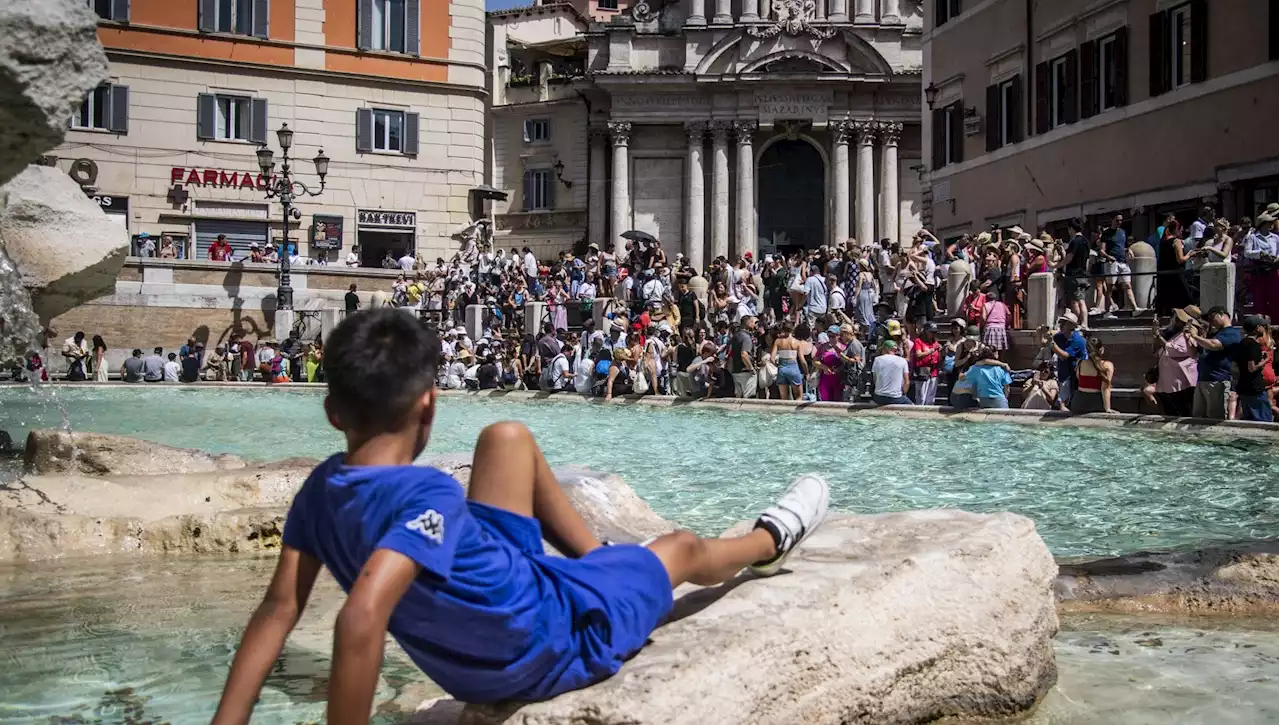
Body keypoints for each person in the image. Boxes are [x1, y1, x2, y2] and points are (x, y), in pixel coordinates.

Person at [210, 309, 828, 721]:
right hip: (549, 646)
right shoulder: (430, 497)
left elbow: (277, 613)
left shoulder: (319, 490)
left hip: (513, 590)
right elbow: (362, 616)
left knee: (507, 436)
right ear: (429, 404)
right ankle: (767, 542)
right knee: (681, 548)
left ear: (332, 412)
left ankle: (601, 567)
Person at [1188, 306, 1241, 420]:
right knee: (1197, 417)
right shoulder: (1213, 335)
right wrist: (1187, 337)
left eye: (1212, 318)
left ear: (1221, 314)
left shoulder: (1232, 333)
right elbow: (1193, 354)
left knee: (1215, 418)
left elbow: (1214, 345)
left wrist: (1195, 336)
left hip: (1218, 380)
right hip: (1202, 380)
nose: (1211, 322)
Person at [1152, 307, 1199, 417]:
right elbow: (1157, 351)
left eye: (1176, 318)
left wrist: (1158, 336)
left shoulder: (1190, 335)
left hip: (1183, 382)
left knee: (1185, 413)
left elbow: (1177, 351)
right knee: (1170, 412)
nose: (1173, 320)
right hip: (1167, 382)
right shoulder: (1171, 334)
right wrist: (1156, 336)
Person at [1054, 218, 1091, 328]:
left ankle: (1079, 323)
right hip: (1083, 274)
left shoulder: (1075, 241)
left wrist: (1056, 265)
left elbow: (1069, 258)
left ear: (1071, 229)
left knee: (1075, 302)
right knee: (1082, 301)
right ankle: (1085, 323)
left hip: (1074, 275)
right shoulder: (1086, 241)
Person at [1235, 315, 1273, 422]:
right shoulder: (1253, 345)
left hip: (1244, 387)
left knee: (1248, 421)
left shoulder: (1242, 343)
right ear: (1257, 328)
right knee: (1264, 422)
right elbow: (1251, 368)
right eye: (1261, 326)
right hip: (1255, 389)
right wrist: (1265, 360)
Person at [1050, 311, 1087, 410]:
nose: (1060, 325)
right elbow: (1045, 344)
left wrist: (1052, 344)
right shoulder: (1059, 337)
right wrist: (1041, 335)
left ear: (1071, 325)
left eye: (1064, 323)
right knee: (1062, 402)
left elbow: (1064, 356)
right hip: (1063, 374)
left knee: (1064, 404)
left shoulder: (1078, 340)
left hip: (1074, 377)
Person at [1069, 337, 1115, 414]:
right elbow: (1105, 388)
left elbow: (1078, 378)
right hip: (1095, 402)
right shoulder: (1106, 365)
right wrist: (1107, 408)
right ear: (1101, 349)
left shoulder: (1080, 363)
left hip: (1078, 402)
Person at [871, 339, 911, 406]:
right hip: (896, 398)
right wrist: (903, 393)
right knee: (912, 406)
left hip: (879, 397)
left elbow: (875, 379)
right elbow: (907, 381)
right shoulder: (903, 361)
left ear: (885, 349)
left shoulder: (877, 359)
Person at [910, 322, 941, 405]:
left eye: (935, 332)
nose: (934, 334)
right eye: (932, 332)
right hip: (922, 372)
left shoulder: (935, 343)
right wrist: (931, 351)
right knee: (921, 398)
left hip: (934, 372)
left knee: (930, 398)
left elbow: (939, 357)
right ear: (926, 331)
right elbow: (918, 354)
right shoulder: (918, 341)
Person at [729, 315, 758, 398]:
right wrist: (751, 369)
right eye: (753, 322)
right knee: (748, 398)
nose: (755, 325)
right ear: (748, 323)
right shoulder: (746, 338)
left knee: (738, 397)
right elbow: (744, 355)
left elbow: (731, 354)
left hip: (736, 371)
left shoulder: (735, 336)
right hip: (745, 372)